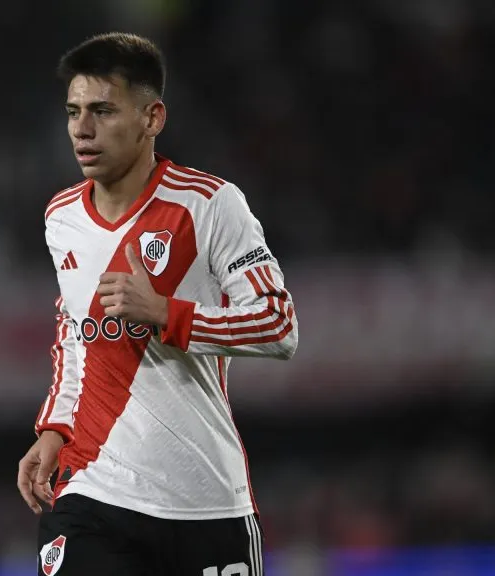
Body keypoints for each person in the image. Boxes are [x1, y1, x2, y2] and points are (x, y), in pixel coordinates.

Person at [16, 32, 298, 576]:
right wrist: (54, 428)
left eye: (103, 110)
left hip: (205, 501)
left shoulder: (210, 205)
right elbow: (74, 332)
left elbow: (278, 324)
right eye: (74, 111)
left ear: (152, 118)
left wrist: (169, 314)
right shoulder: (61, 217)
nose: (82, 128)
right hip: (95, 489)